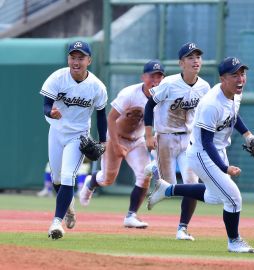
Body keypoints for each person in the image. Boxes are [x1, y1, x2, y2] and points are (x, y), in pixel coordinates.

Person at [147, 57, 254, 253]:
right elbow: (206, 143)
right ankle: (234, 241)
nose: (240, 78)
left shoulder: (234, 94)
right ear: (222, 78)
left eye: (243, 73)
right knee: (233, 198)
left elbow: (233, 115)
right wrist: (225, 168)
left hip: (218, 150)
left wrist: (248, 136)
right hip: (202, 154)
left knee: (215, 197)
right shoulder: (211, 104)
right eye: (235, 74)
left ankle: (167, 190)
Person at [79, 60, 165, 228]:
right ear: (143, 77)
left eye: (160, 76)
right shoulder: (130, 93)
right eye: (152, 75)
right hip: (116, 136)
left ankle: (131, 216)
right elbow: (111, 118)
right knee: (107, 179)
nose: (156, 79)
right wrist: (116, 145)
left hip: (138, 140)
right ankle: (92, 182)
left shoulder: (163, 96)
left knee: (144, 175)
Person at [40, 40, 108, 240]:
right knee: (57, 179)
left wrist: (103, 141)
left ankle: (56, 223)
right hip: (56, 131)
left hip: (78, 135)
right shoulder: (57, 78)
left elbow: (101, 115)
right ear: (68, 59)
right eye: (73, 57)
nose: (76, 61)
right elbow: (45, 105)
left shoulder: (96, 86)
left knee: (69, 175)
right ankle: (68, 207)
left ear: (89, 60)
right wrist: (50, 113)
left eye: (81, 58)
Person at [144, 42, 210, 240]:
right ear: (181, 63)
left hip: (189, 139)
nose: (195, 61)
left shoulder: (204, 87)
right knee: (170, 185)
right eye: (190, 57)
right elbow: (149, 106)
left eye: (198, 57)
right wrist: (148, 135)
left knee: (191, 184)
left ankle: (182, 228)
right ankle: (155, 169)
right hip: (165, 137)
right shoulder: (169, 83)